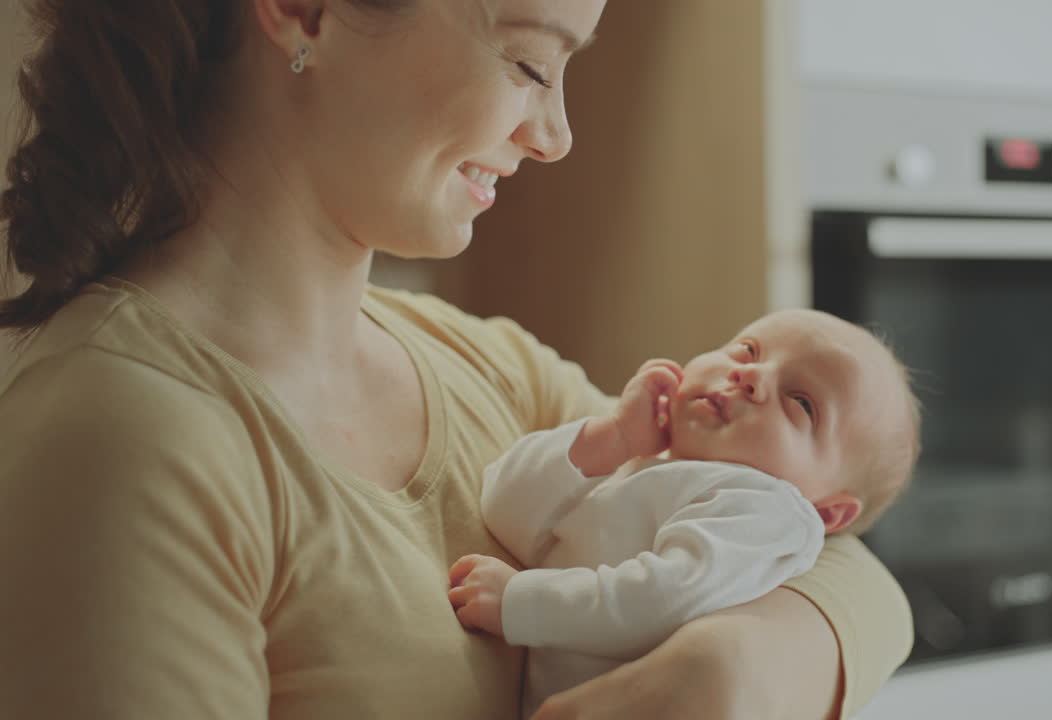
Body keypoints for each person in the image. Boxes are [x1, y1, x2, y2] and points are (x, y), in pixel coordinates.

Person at [0, 1, 913, 718]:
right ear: (304, 8)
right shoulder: (121, 445)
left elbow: (848, 561)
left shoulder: (490, 369)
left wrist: (733, 670)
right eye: (529, 63)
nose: (554, 134)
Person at [449, 309, 920, 717]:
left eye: (801, 403)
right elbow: (504, 512)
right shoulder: (647, 455)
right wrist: (609, 438)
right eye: (748, 350)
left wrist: (521, 601)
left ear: (828, 511)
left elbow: (663, 597)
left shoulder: (765, 509)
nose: (751, 376)